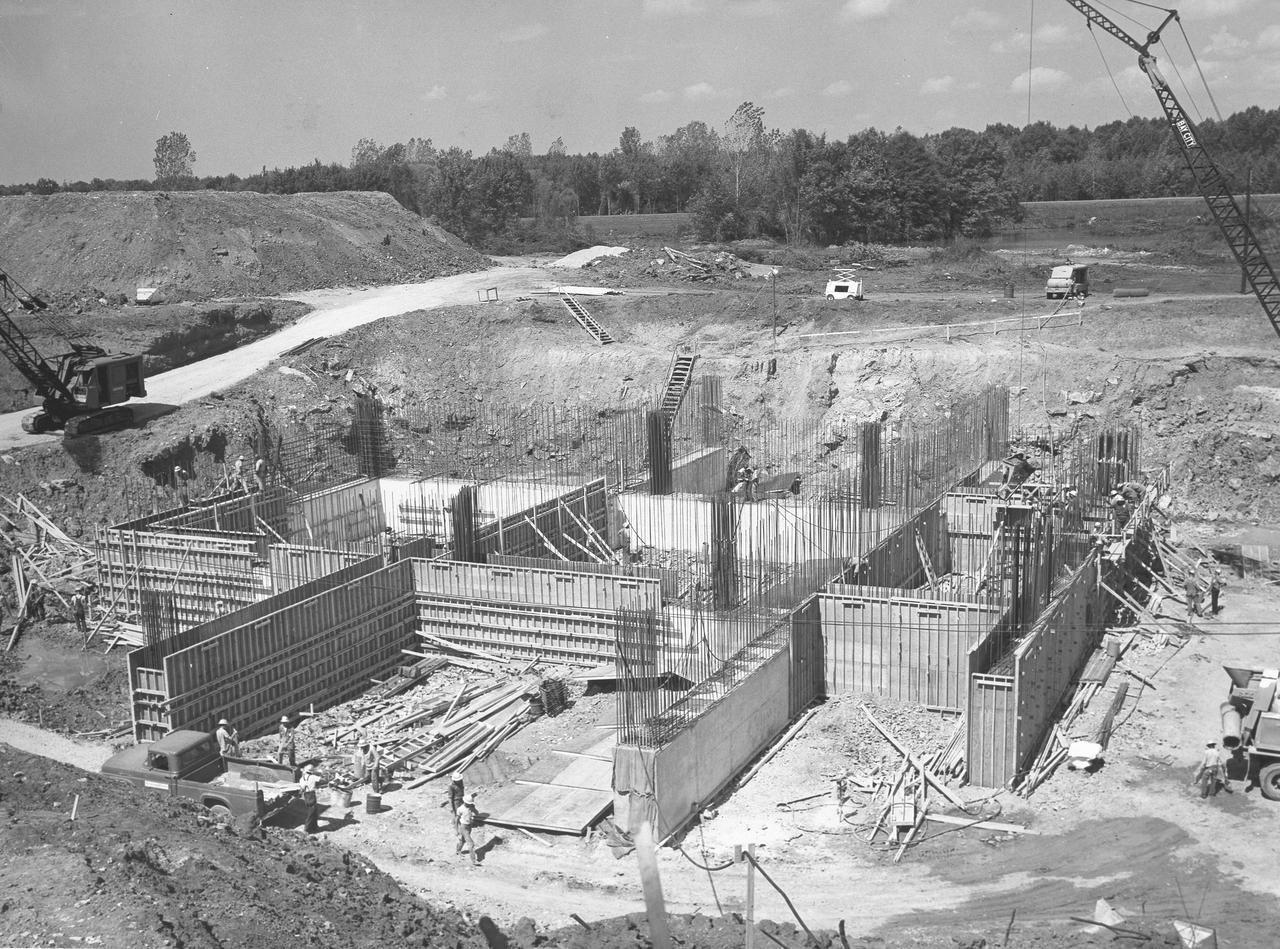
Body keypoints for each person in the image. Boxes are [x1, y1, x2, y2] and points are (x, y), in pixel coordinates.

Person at [456, 792, 481, 865]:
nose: (469, 804)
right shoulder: (460, 809)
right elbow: (456, 819)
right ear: (464, 802)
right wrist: (456, 830)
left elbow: (477, 813)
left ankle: (458, 850)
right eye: (468, 803)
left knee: (463, 840)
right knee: (471, 844)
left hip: (469, 826)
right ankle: (474, 860)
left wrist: (473, 808)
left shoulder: (471, 807)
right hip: (463, 827)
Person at [300, 763, 324, 833]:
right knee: (311, 813)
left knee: (314, 812)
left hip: (306, 795)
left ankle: (314, 827)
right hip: (311, 795)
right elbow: (323, 780)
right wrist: (321, 775)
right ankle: (307, 829)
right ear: (312, 771)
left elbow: (302, 789)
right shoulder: (313, 777)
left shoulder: (302, 778)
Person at [446, 771, 466, 837]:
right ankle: (456, 830)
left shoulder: (461, 782)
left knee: (462, 813)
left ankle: (453, 822)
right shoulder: (451, 786)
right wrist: (451, 807)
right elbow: (450, 798)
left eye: (460, 780)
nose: (459, 781)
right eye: (458, 780)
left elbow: (462, 790)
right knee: (457, 816)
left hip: (461, 799)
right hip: (456, 801)